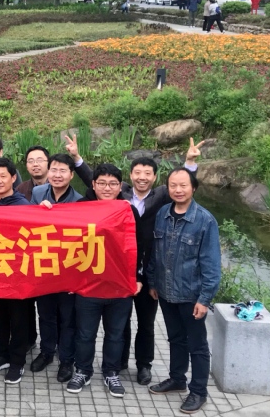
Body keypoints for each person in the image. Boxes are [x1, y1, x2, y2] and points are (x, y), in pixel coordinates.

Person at [68, 138, 202, 384]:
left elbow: (182, 186)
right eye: (137, 172)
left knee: (146, 324)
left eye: (147, 173)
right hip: (113, 274)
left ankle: (143, 366)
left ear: (155, 177)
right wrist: (76, 158)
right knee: (120, 325)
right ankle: (117, 365)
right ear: (129, 177)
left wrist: (190, 163)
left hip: (145, 272)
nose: (142, 177)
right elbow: (98, 181)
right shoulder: (120, 195)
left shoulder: (162, 195)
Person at [147, 168, 221, 415]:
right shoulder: (162, 214)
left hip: (191, 294)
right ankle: (177, 379)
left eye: (183, 185)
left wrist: (205, 299)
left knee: (197, 345)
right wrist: (153, 282)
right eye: (173, 186)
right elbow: (155, 252)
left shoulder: (205, 220)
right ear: (167, 188)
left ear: (193, 188)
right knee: (175, 338)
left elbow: (211, 264)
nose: (178, 190)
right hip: (166, 291)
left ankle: (198, 391)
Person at [66, 164, 141, 400]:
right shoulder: (81, 207)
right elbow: (66, 242)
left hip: (119, 286)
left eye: (112, 184)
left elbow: (139, 246)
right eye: (102, 183)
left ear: (120, 186)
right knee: (85, 334)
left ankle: (111, 372)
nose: (107, 188)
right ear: (93, 184)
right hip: (88, 285)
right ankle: (83, 371)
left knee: (115, 335)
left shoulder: (128, 210)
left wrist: (138, 278)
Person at [30, 154, 83, 382]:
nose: (57, 175)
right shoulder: (37, 193)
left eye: (63, 171)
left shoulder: (80, 201)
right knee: (46, 314)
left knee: (68, 318)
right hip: (44, 266)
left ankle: (66, 360)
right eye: (54, 170)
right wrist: (38, 212)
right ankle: (46, 351)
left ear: (71, 174)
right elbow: (26, 225)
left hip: (69, 269)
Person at [0, 158, 33, 385]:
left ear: (13, 178)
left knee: (19, 320)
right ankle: (1, 354)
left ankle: (17, 361)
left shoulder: (24, 206)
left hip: (18, 276)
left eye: (3, 176)